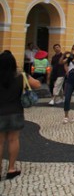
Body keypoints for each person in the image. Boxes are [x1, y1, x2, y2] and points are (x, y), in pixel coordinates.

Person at [0, 51, 41, 180]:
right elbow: (37, 85)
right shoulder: (21, 76)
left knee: (0, 142)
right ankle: (11, 169)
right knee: (13, 140)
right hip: (16, 112)